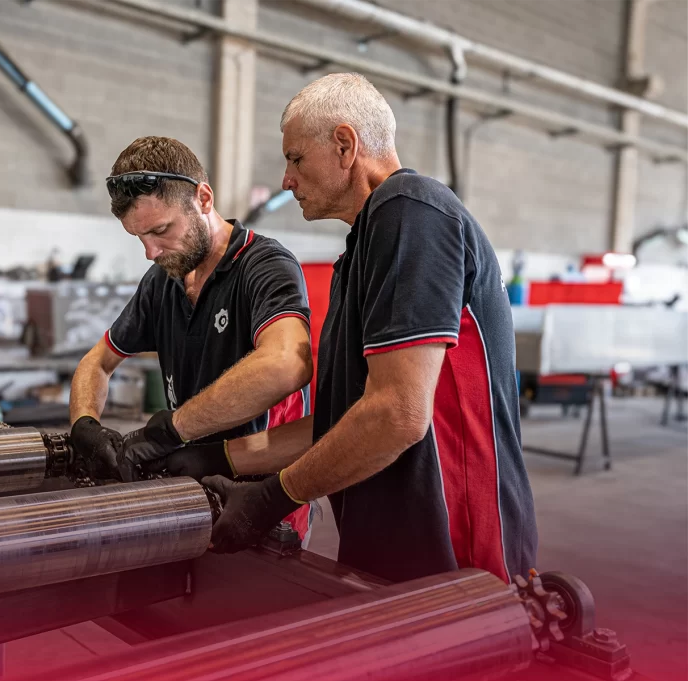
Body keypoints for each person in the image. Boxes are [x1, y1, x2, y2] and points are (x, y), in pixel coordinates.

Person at [192, 74, 537, 585]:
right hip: (389, 539)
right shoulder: (363, 248)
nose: (286, 180)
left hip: (455, 550)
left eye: (295, 158)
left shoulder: (411, 210)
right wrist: (212, 457)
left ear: (345, 145)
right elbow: (338, 423)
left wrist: (273, 497)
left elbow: (396, 414)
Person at [68, 137, 314, 538]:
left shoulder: (263, 266)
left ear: (203, 198)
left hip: (261, 499)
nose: (150, 251)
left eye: (161, 230)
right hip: (191, 491)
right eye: (139, 237)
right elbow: (98, 361)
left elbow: (287, 363)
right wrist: (85, 424)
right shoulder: (162, 280)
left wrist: (171, 430)